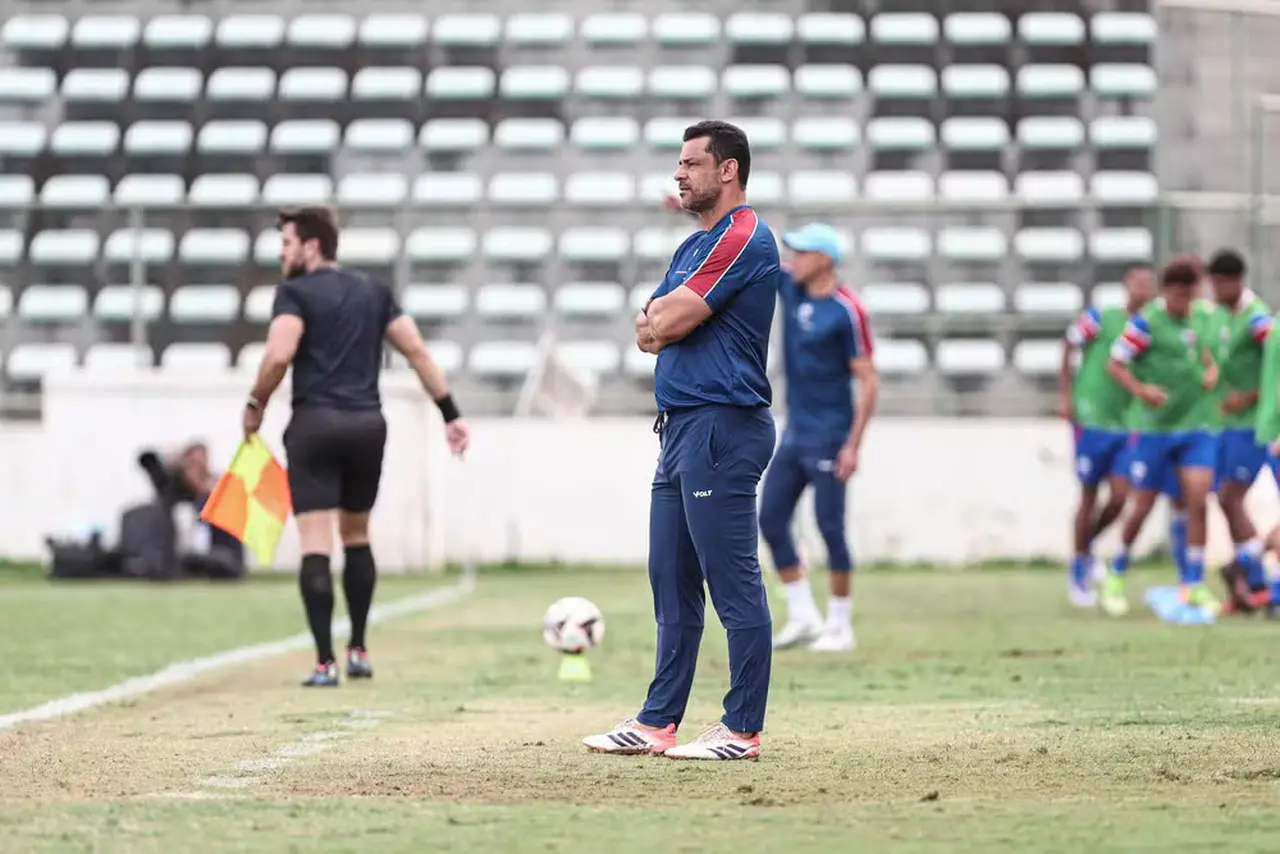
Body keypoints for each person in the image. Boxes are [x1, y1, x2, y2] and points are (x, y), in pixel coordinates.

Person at [582, 120, 780, 761]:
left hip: (723, 425)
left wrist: (667, 320)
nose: (679, 174)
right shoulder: (693, 246)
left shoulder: (744, 235)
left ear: (728, 170)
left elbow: (664, 320)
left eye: (691, 163)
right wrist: (665, 320)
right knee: (670, 578)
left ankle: (741, 730)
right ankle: (657, 721)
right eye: (679, 163)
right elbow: (648, 328)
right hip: (680, 428)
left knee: (733, 583)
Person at [243, 206, 471, 687]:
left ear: (311, 246)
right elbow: (416, 351)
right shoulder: (374, 291)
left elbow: (279, 355)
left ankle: (325, 663)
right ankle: (360, 650)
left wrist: (255, 402)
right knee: (357, 535)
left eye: (286, 243)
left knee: (316, 543)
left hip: (314, 424)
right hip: (367, 425)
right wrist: (450, 414)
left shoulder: (294, 293)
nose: (281, 254)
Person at [758, 222, 877, 653]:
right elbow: (748, 251)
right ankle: (804, 615)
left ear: (825, 260)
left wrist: (853, 445)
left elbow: (869, 381)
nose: (793, 260)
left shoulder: (847, 310)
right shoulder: (791, 289)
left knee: (830, 528)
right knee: (771, 519)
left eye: (802, 253)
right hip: (795, 432)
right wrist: (690, 212)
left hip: (830, 436)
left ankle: (840, 626)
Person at [1100, 256, 1219, 620]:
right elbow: (1114, 363)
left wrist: (1211, 368)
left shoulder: (1201, 317)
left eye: (1191, 295)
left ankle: (1194, 581)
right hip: (1154, 429)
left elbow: (1206, 350)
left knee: (1197, 500)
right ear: (1167, 292)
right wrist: (1142, 390)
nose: (1186, 303)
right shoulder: (1146, 323)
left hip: (1196, 425)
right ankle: (1116, 573)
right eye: (1181, 296)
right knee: (1143, 505)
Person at [1058, 266, 1155, 607]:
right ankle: (1078, 570)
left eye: (1149, 285)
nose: (1143, 290)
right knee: (1088, 495)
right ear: (1126, 285)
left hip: (1126, 423)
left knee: (1120, 496)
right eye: (1138, 284)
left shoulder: (1149, 327)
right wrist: (1066, 395)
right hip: (1091, 419)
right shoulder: (1101, 318)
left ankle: (1085, 549)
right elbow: (1068, 345)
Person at [1198, 250, 1274, 612]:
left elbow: (1275, 366)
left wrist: (1248, 396)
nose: (1214, 290)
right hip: (1223, 425)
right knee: (1224, 498)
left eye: (1219, 283)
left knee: (1232, 497)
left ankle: (1254, 578)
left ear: (1236, 281)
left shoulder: (1258, 319)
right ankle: (1249, 583)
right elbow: (1211, 353)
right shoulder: (1217, 316)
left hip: (1253, 425)